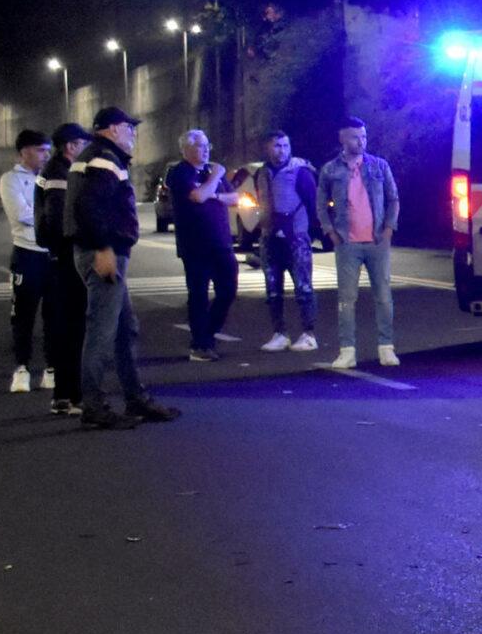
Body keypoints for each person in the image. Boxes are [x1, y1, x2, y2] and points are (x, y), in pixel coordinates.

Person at [67, 106, 180, 429]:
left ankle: (135, 398)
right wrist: (103, 248)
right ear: (113, 129)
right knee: (102, 332)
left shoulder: (95, 156)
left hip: (104, 251)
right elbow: (90, 206)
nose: (133, 135)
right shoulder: (104, 158)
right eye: (129, 129)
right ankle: (95, 406)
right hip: (104, 252)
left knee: (123, 328)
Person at [316, 116, 402, 368]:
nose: (361, 141)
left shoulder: (378, 166)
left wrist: (388, 229)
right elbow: (321, 204)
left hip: (376, 241)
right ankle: (347, 350)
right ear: (342, 138)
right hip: (347, 243)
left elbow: (393, 198)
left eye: (363, 136)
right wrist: (330, 231)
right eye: (355, 136)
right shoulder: (330, 170)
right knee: (346, 298)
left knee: (383, 296)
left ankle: (387, 347)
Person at [164, 129, 239, 360]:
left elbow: (234, 198)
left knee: (228, 289)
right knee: (198, 294)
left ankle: (209, 332)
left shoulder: (208, 171)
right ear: (186, 149)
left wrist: (214, 194)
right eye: (200, 146)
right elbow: (197, 196)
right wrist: (215, 177)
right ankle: (200, 344)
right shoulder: (179, 173)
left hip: (221, 242)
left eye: (207, 145)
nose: (206, 150)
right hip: (195, 245)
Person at [35, 123, 90, 414]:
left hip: (59, 257)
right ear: (71, 146)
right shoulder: (59, 174)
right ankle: (72, 395)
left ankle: (65, 395)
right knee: (72, 330)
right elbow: (58, 219)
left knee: (65, 329)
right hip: (67, 258)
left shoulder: (55, 171)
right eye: (83, 144)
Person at [252, 130, 319, 351]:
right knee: (272, 288)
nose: (281, 150)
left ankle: (308, 333)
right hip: (269, 238)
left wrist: (313, 232)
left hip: (296, 236)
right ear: (267, 148)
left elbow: (313, 203)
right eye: (276, 146)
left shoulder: (300, 172)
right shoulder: (261, 173)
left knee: (303, 287)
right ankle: (279, 333)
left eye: (285, 145)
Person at [1, 130, 52, 392]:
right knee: (23, 316)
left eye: (47, 149)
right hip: (27, 254)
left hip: (53, 255)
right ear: (24, 152)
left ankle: (51, 368)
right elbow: (21, 214)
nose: (46, 155)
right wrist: (51, 215)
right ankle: (21, 368)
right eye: (41, 150)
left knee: (55, 315)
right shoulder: (10, 180)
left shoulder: (52, 176)